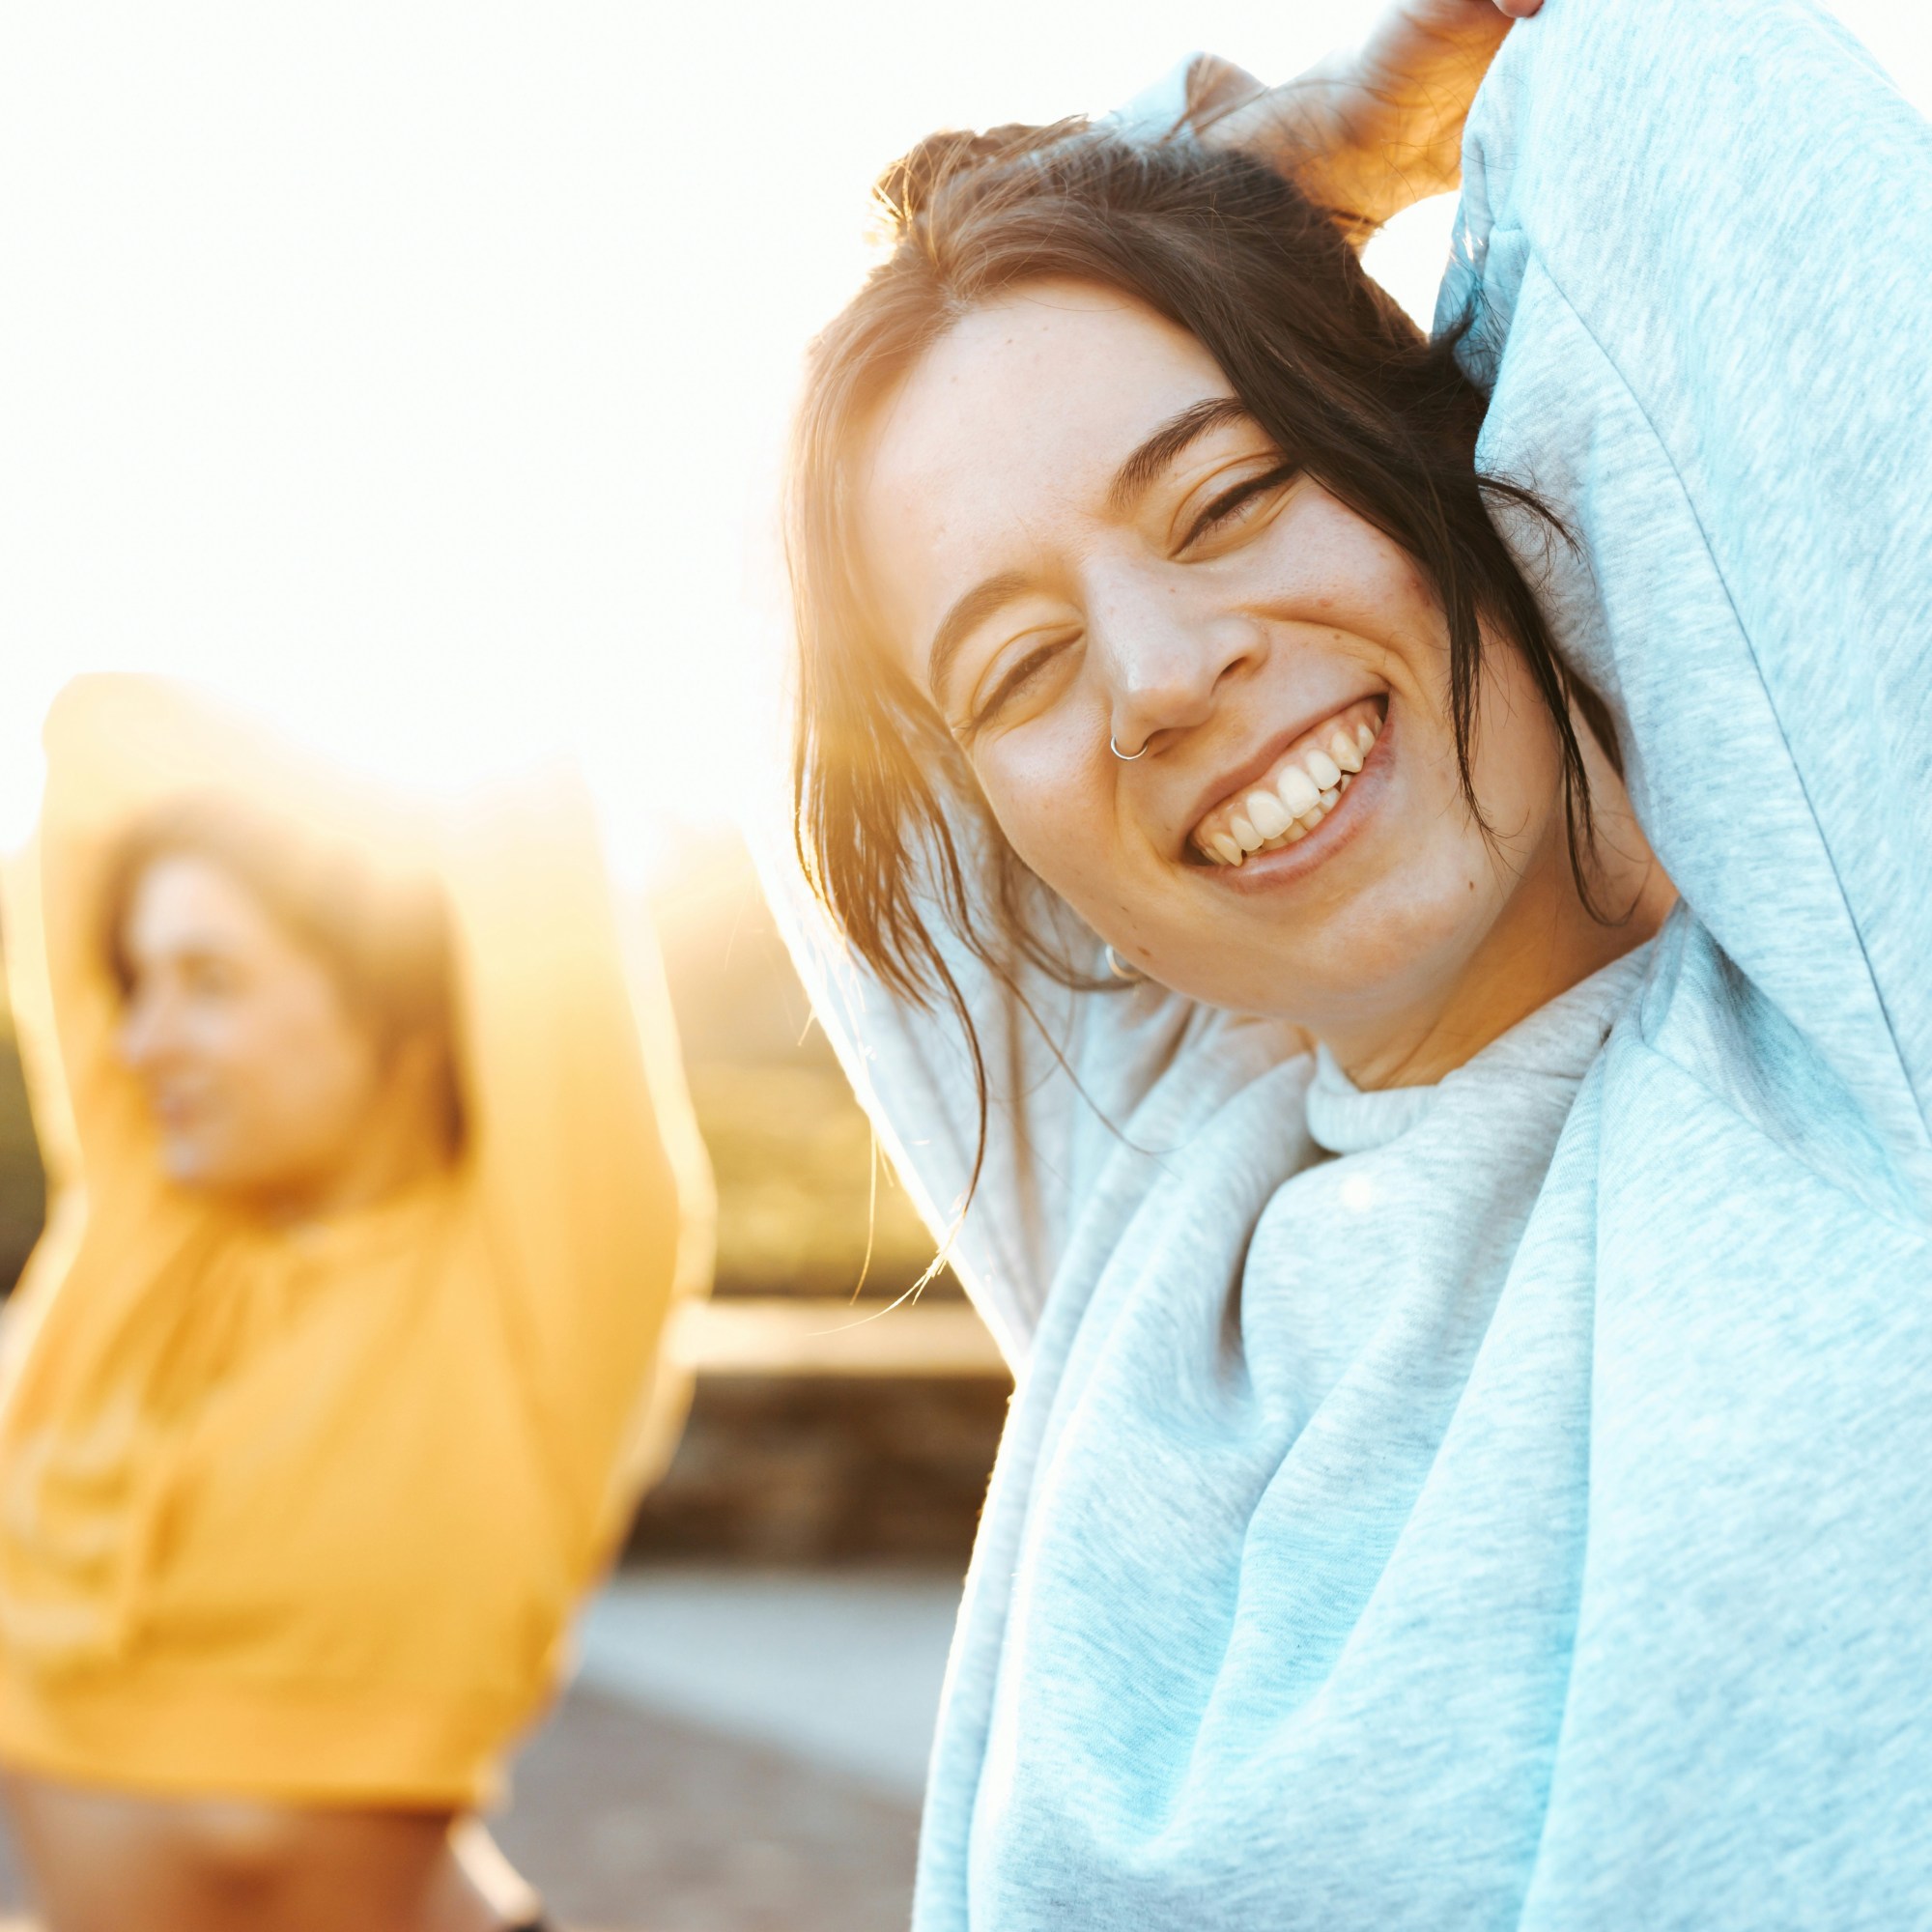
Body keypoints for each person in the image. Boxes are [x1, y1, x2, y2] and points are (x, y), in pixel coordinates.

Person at [772, 0, 1932, 1924]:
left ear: (1456, 483)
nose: (1155, 676)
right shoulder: (1149, 1214)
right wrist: (1151, 186)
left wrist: (1296, 181)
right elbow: (781, 637)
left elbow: (1688, 84)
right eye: (1020, 667)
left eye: (1227, 497)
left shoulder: (1866, 1053)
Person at [0, 676, 712, 1931]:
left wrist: (324, 791)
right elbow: (87, 735)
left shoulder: (537, 1272)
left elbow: (527, 830)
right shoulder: (142, 1233)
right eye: (136, 979)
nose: (138, 1041)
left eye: (208, 979)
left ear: (394, 1010)